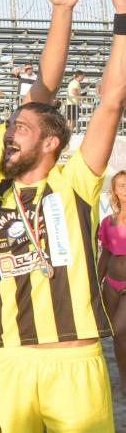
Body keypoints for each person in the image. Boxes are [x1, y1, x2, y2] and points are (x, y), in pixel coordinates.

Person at [0, 0, 124, 433]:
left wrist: (121, 19)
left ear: (52, 142)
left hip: (74, 359)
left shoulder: (77, 182)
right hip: (7, 360)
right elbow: (41, 86)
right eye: (6, 126)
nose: (7, 132)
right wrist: (61, 11)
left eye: (19, 127)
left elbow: (113, 101)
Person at [99, 171, 126, 400]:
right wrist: (96, 282)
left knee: (118, 329)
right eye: (121, 186)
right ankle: (124, 380)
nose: (125, 190)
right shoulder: (108, 222)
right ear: (115, 191)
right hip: (111, 283)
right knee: (119, 338)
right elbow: (105, 255)